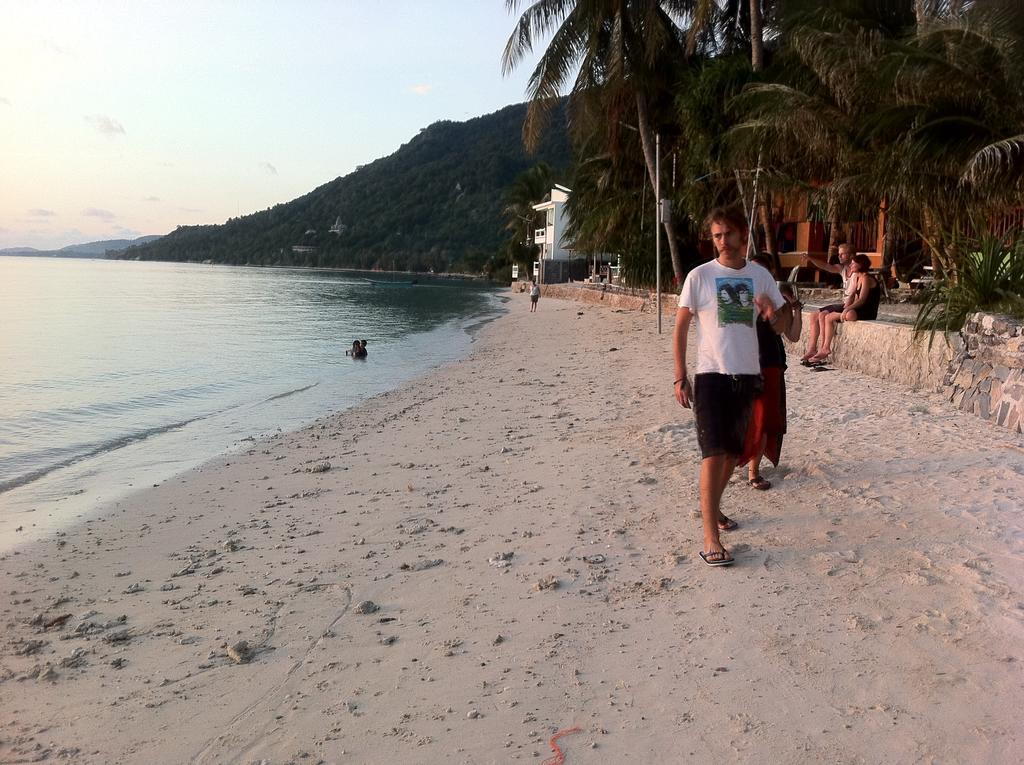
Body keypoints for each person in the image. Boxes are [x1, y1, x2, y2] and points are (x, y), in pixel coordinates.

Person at [673, 205, 792, 567]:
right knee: (713, 453)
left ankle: (716, 508)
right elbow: (680, 329)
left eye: (728, 234)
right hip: (711, 375)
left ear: (743, 234)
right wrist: (681, 375)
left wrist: (773, 313)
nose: (723, 241)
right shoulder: (700, 276)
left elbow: (785, 324)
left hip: (748, 374)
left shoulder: (760, 276)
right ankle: (711, 538)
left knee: (730, 454)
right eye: (716, 236)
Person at [745, 256, 804, 490]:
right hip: (743, 364)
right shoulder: (742, 297)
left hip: (770, 362)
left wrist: (794, 309)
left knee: (764, 419)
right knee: (743, 419)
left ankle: (753, 471)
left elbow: (793, 335)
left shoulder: (778, 301)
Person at [811, 253, 880, 362]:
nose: (851, 265)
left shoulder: (866, 278)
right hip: (858, 309)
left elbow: (862, 299)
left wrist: (847, 309)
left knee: (847, 314)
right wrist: (845, 307)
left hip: (868, 311)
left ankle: (825, 348)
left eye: (853, 263)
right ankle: (825, 348)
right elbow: (853, 295)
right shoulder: (858, 276)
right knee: (828, 317)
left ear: (860, 264)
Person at [800, 243, 855, 363]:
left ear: (851, 255)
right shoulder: (842, 269)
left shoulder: (857, 272)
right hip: (844, 303)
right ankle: (812, 349)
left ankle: (824, 348)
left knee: (822, 315)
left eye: (843, 254)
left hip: (850, 306)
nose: (840, 257)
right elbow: (826, 266)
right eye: (839, 254)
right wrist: (810, 258)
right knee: (813, 315)